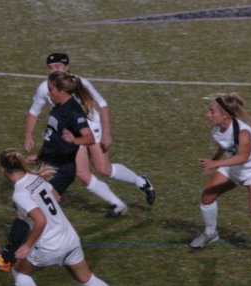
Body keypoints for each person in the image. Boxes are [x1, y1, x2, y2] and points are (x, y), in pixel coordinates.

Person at [0, 149, 138, 286]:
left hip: (50, 244)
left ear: (3, 170)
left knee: (20, 273)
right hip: (69, 238)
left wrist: (27, 245)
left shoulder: (19, 194)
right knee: (88, 278)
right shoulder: (36, 178)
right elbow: (56, 197)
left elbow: (41, 221)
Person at [0, 71, 95, 272]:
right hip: (47, 165)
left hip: (60, 170)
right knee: (29, 209)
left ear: (61, 90)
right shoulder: (58, 106)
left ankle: (8, 258)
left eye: (51, 89)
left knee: (27, 212)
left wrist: (73, 140)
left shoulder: (73, 111)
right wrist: (40, 154)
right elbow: (52, 135)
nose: (48, 93)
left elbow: (89, 138)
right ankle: (42, 246)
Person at [24, 53, 154, 217]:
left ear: (67, 67)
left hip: (92, 129)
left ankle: (140, 181)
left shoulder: (80, 83)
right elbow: (34, 111)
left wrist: (106, 133)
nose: (54, 70)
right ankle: (118, 204)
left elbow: (103, 105)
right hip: (73, 134)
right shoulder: (46, 88)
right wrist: (28, 135)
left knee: (103, 168)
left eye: (58, 66)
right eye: (51, 67)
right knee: (81, 173)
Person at [191, 93, 251, 257]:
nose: (208, 115)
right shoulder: (217, 129)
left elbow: (243, 157)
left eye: (212, 111)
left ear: (225, 115)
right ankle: (210, 233)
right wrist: (215, 159)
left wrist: (215, 164)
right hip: (233, 167)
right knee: (207, 197)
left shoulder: (243, 132)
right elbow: (224, 144)